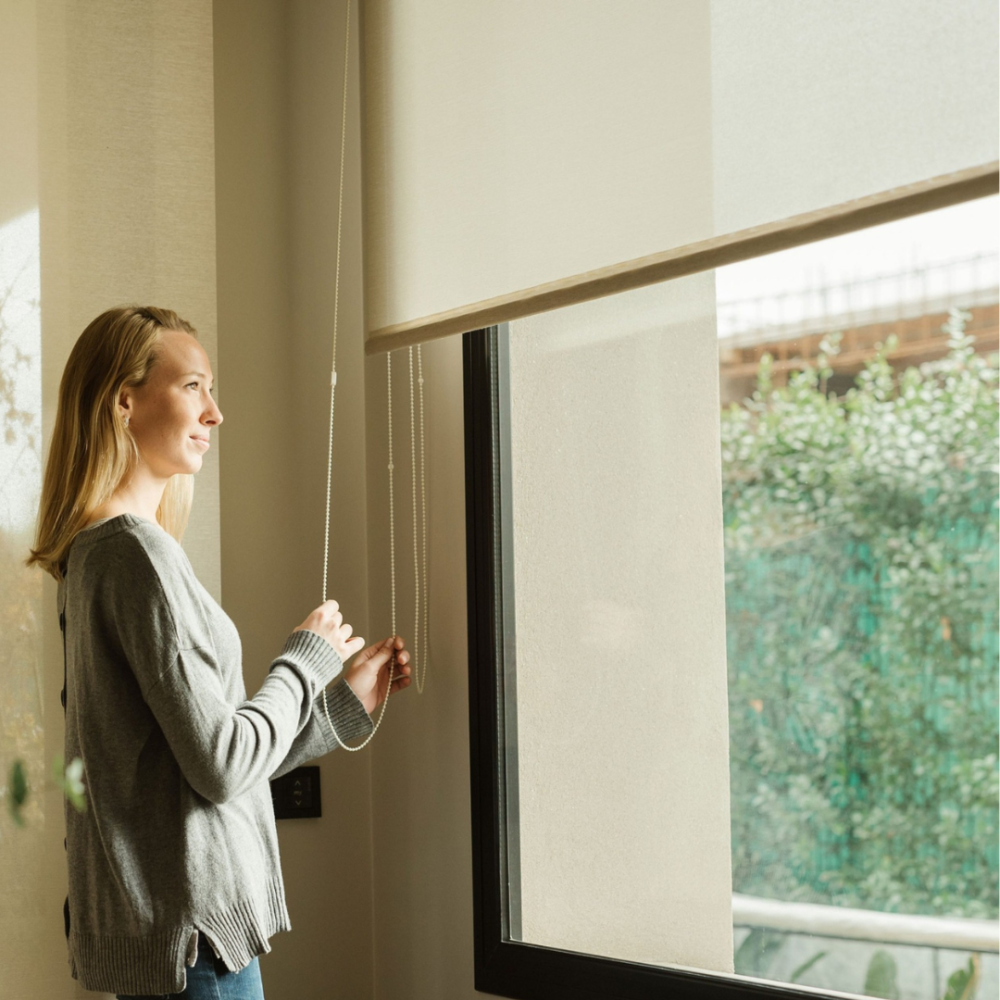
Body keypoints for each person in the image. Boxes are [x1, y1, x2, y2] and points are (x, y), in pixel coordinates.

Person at [27, 306, 411, 999]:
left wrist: (337, 708)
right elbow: (221, 764)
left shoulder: (100, 556)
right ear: (124, 399)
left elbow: (187, 768)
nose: (216, 413)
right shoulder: (134, 556)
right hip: (197, 947)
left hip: (182, 944)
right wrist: (305, 658)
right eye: (194, 386)